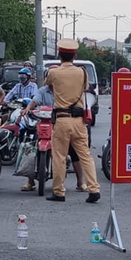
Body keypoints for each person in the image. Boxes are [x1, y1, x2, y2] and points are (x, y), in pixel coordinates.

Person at [45, 39, 100, 203]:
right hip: (79, 121)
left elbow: (48, 85)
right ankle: (94, 189)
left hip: (61, 120)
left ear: (59, 54)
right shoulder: (82, 72)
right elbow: (84, 89)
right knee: (85, 156)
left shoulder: (53, 72)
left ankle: (59, 192)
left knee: (59, 157)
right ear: (74, 56)